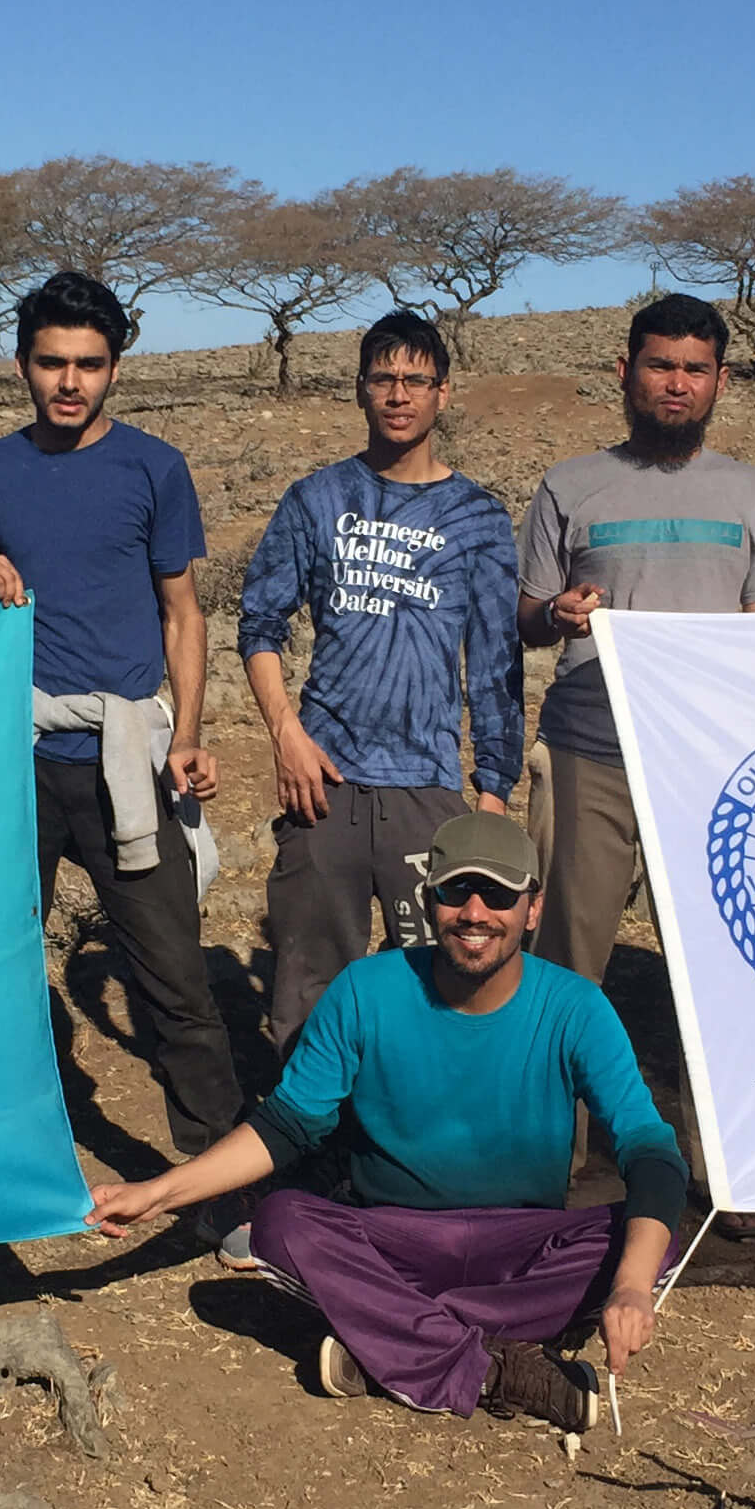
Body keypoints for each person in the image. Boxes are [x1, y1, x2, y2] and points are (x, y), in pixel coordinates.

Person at [87, 812, 677, 1435]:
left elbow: (649, 1149)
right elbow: (285, 1126)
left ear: (532, 909)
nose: (475, 912)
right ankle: (489, 1367)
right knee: (282, 1223)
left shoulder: (576, 1007)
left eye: (499, 895)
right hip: (392, 1241)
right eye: (456, 891)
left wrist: (631, 1288)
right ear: (428, 900)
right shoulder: (365, 991)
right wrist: (158, 1193)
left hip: (522, 1244)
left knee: (653, 1243)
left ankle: (389, 1341)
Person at [0, 270, 240, 1161]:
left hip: (126, 758)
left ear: (114, 368)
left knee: (175, 978)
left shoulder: (154, 467)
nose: (69, 382)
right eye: (51, 363)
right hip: (16, 758)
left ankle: (222, 1182)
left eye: (89, 364)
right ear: (21, 365)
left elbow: (183, 612)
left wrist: (187, 735)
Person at [239, 307, 523, 1050]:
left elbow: (496, 663)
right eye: (383, 379)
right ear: (361, 390)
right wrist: (286, 736)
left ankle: (414, 1120)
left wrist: (492, 793)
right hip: (323, 782)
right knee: (308, 988)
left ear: (443, 393)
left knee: (434, 992)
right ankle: (307, 1118)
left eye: (416, 380)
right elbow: (260, 623)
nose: (399, 394)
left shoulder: (479, 519)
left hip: (426, 787)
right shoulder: (316, 500)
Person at [517, 293, 755, 987]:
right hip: (590, 745)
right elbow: (526, 618)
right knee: (566, 949)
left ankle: (691, 1067)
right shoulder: (569, 485)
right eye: (661, 366)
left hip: (713, 756)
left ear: (720, 381)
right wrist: (556, 614)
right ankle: (559, 1063)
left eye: (696, 370)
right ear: (626, 371)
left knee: (724, 956)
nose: (678, 384)